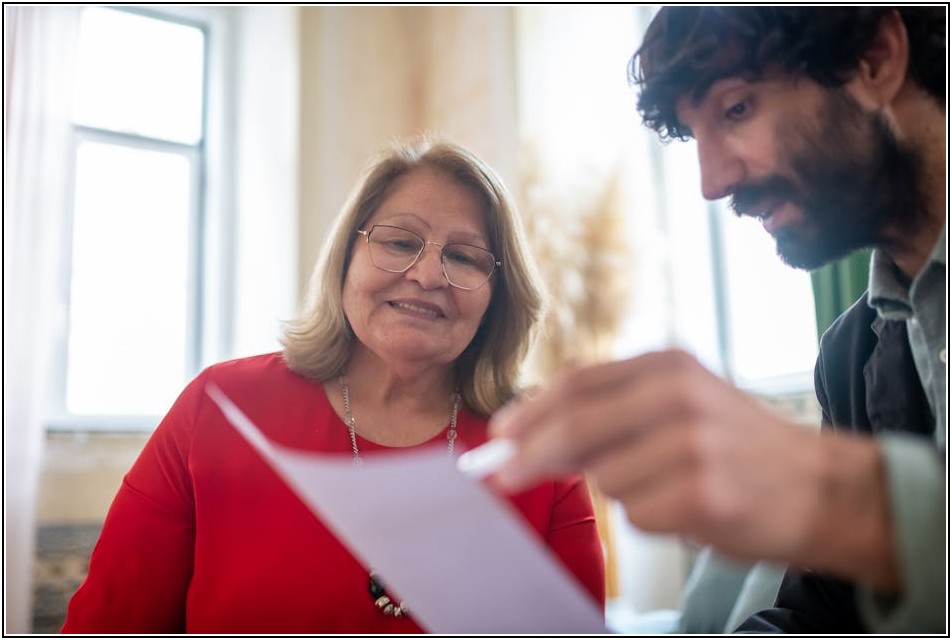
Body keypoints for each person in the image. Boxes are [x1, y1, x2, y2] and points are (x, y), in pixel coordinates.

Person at [490, 6, 946, 634]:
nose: (712, 181)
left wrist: (841, 500)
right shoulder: (850, 355)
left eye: (736, 109)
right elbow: (821, 616)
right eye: (693, 132)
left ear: (875, 60)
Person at [61, 136, 606, 633]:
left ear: (498, 297)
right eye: (399, 242)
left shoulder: (541, 454)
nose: (427, 275)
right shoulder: (220, 408)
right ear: (346, 257)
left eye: (464, 256)